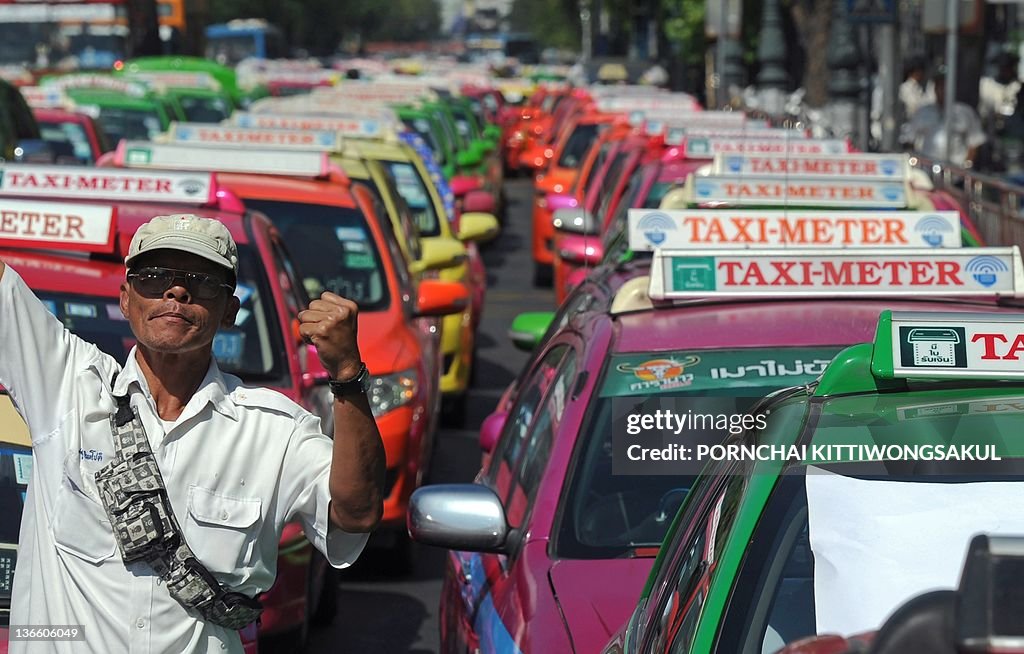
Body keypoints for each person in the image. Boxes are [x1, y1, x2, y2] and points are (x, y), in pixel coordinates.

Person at [0, 214, 386, 653]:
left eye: (201, 281)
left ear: (230, 311)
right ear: (126, 299)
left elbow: (356, 516)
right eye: (154, 276)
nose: (176, 291)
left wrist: (348, 375)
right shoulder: (65, 385)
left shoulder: (276, 430)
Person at [901, 67, 986, 168]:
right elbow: (910, 138)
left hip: (957, 171)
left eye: (944, 86)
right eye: (938, 86)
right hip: (928, 169)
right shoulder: (923, 112)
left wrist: (967, 164)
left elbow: (975, 141)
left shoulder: (964, 112)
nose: (941, 90)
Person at [898, 56, 935, 122]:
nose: (922, 74)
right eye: (920, 71)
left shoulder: (918, 88)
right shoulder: (905, 88)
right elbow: (915, 107)